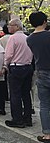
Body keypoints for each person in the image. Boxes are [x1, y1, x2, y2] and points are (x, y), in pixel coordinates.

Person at [2, 18, 33, 128]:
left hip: (16, 68)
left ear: (16, 26)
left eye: (10, 25)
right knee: (26, 93)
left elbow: (9, 54)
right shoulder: (27, 37)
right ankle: (28, 118)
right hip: (28, 67)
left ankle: (17, 119)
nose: (9, 27)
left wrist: (5, 64)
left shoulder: (13, 38)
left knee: (15, 94)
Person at [27, 12, 50, 142]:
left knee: (45, 105)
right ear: (44, 21)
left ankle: (47, 135)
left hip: (41, 72)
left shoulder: (29, 39)